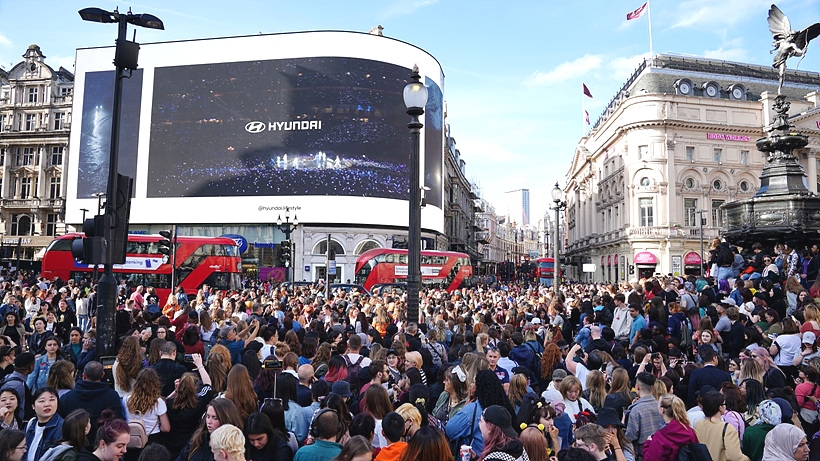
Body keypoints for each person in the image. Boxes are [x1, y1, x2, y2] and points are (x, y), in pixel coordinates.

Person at [445, 370, 514, 457]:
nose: (471, 385)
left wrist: (465, 407)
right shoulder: (504, 406)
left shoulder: (472, 410)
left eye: (473, 382)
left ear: (480, 387)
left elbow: (450, 430)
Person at [60, 361, 125, 445]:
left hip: (74, 444)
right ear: (102, 375)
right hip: (101, 445)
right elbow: (117, 422)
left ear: (83, 375)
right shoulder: (112, 396)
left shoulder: (66, 398)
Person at [177, 398, 245, 461]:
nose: (209, 422)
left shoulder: (234, 444)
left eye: (214, 418)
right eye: (208, 416)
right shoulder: (199, 438)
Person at [694, 391, 749, 461]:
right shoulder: (727, 428)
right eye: (724, 404)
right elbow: (734, 456)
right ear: (720, 407)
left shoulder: (698, 424)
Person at [642, 394, 697, 461]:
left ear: (662, 410)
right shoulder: (689, 431)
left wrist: (647, 444)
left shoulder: (661, 437)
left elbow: (650, 459)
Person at [123, 368, 170, 445]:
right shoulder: (158, 402)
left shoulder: (126, 400)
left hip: (132, 439)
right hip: (152, 439)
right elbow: (166, 428)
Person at [624, 373, 663, 460]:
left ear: (637, 387)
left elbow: (629, 438)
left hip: (643, 454)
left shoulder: (635, 411)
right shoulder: (661, 407)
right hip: (661, 452)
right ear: (653, 388)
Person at [24, 387, 64, 461]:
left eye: (52, 400)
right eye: (42, 401)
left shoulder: (62, 427)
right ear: (33, 406)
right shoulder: (31, 424)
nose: (47, 404)